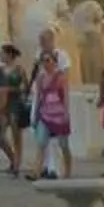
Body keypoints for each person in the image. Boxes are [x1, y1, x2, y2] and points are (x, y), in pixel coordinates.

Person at [32, 49, 73, 180]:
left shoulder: (60, 77)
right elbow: (39, 97)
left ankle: (68, 169)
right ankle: (36, 171)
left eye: (48, 60)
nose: (45, 63)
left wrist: (66, 112)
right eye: (43, 61)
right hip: (45, 114)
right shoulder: (41, 78)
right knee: (41, 143)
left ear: (54, 62)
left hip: (59, 115)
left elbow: (65, 96)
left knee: (63, 145)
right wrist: (36, 114)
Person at [0, 44, 30, 178]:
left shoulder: (19, 70)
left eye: (3, 53)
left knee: (16, 135)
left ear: (9, 55)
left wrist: (10, 89)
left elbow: (25, 88)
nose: (1, 56)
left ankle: (17, 163)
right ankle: (12, 158)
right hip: (3, 105)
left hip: (15, 103)